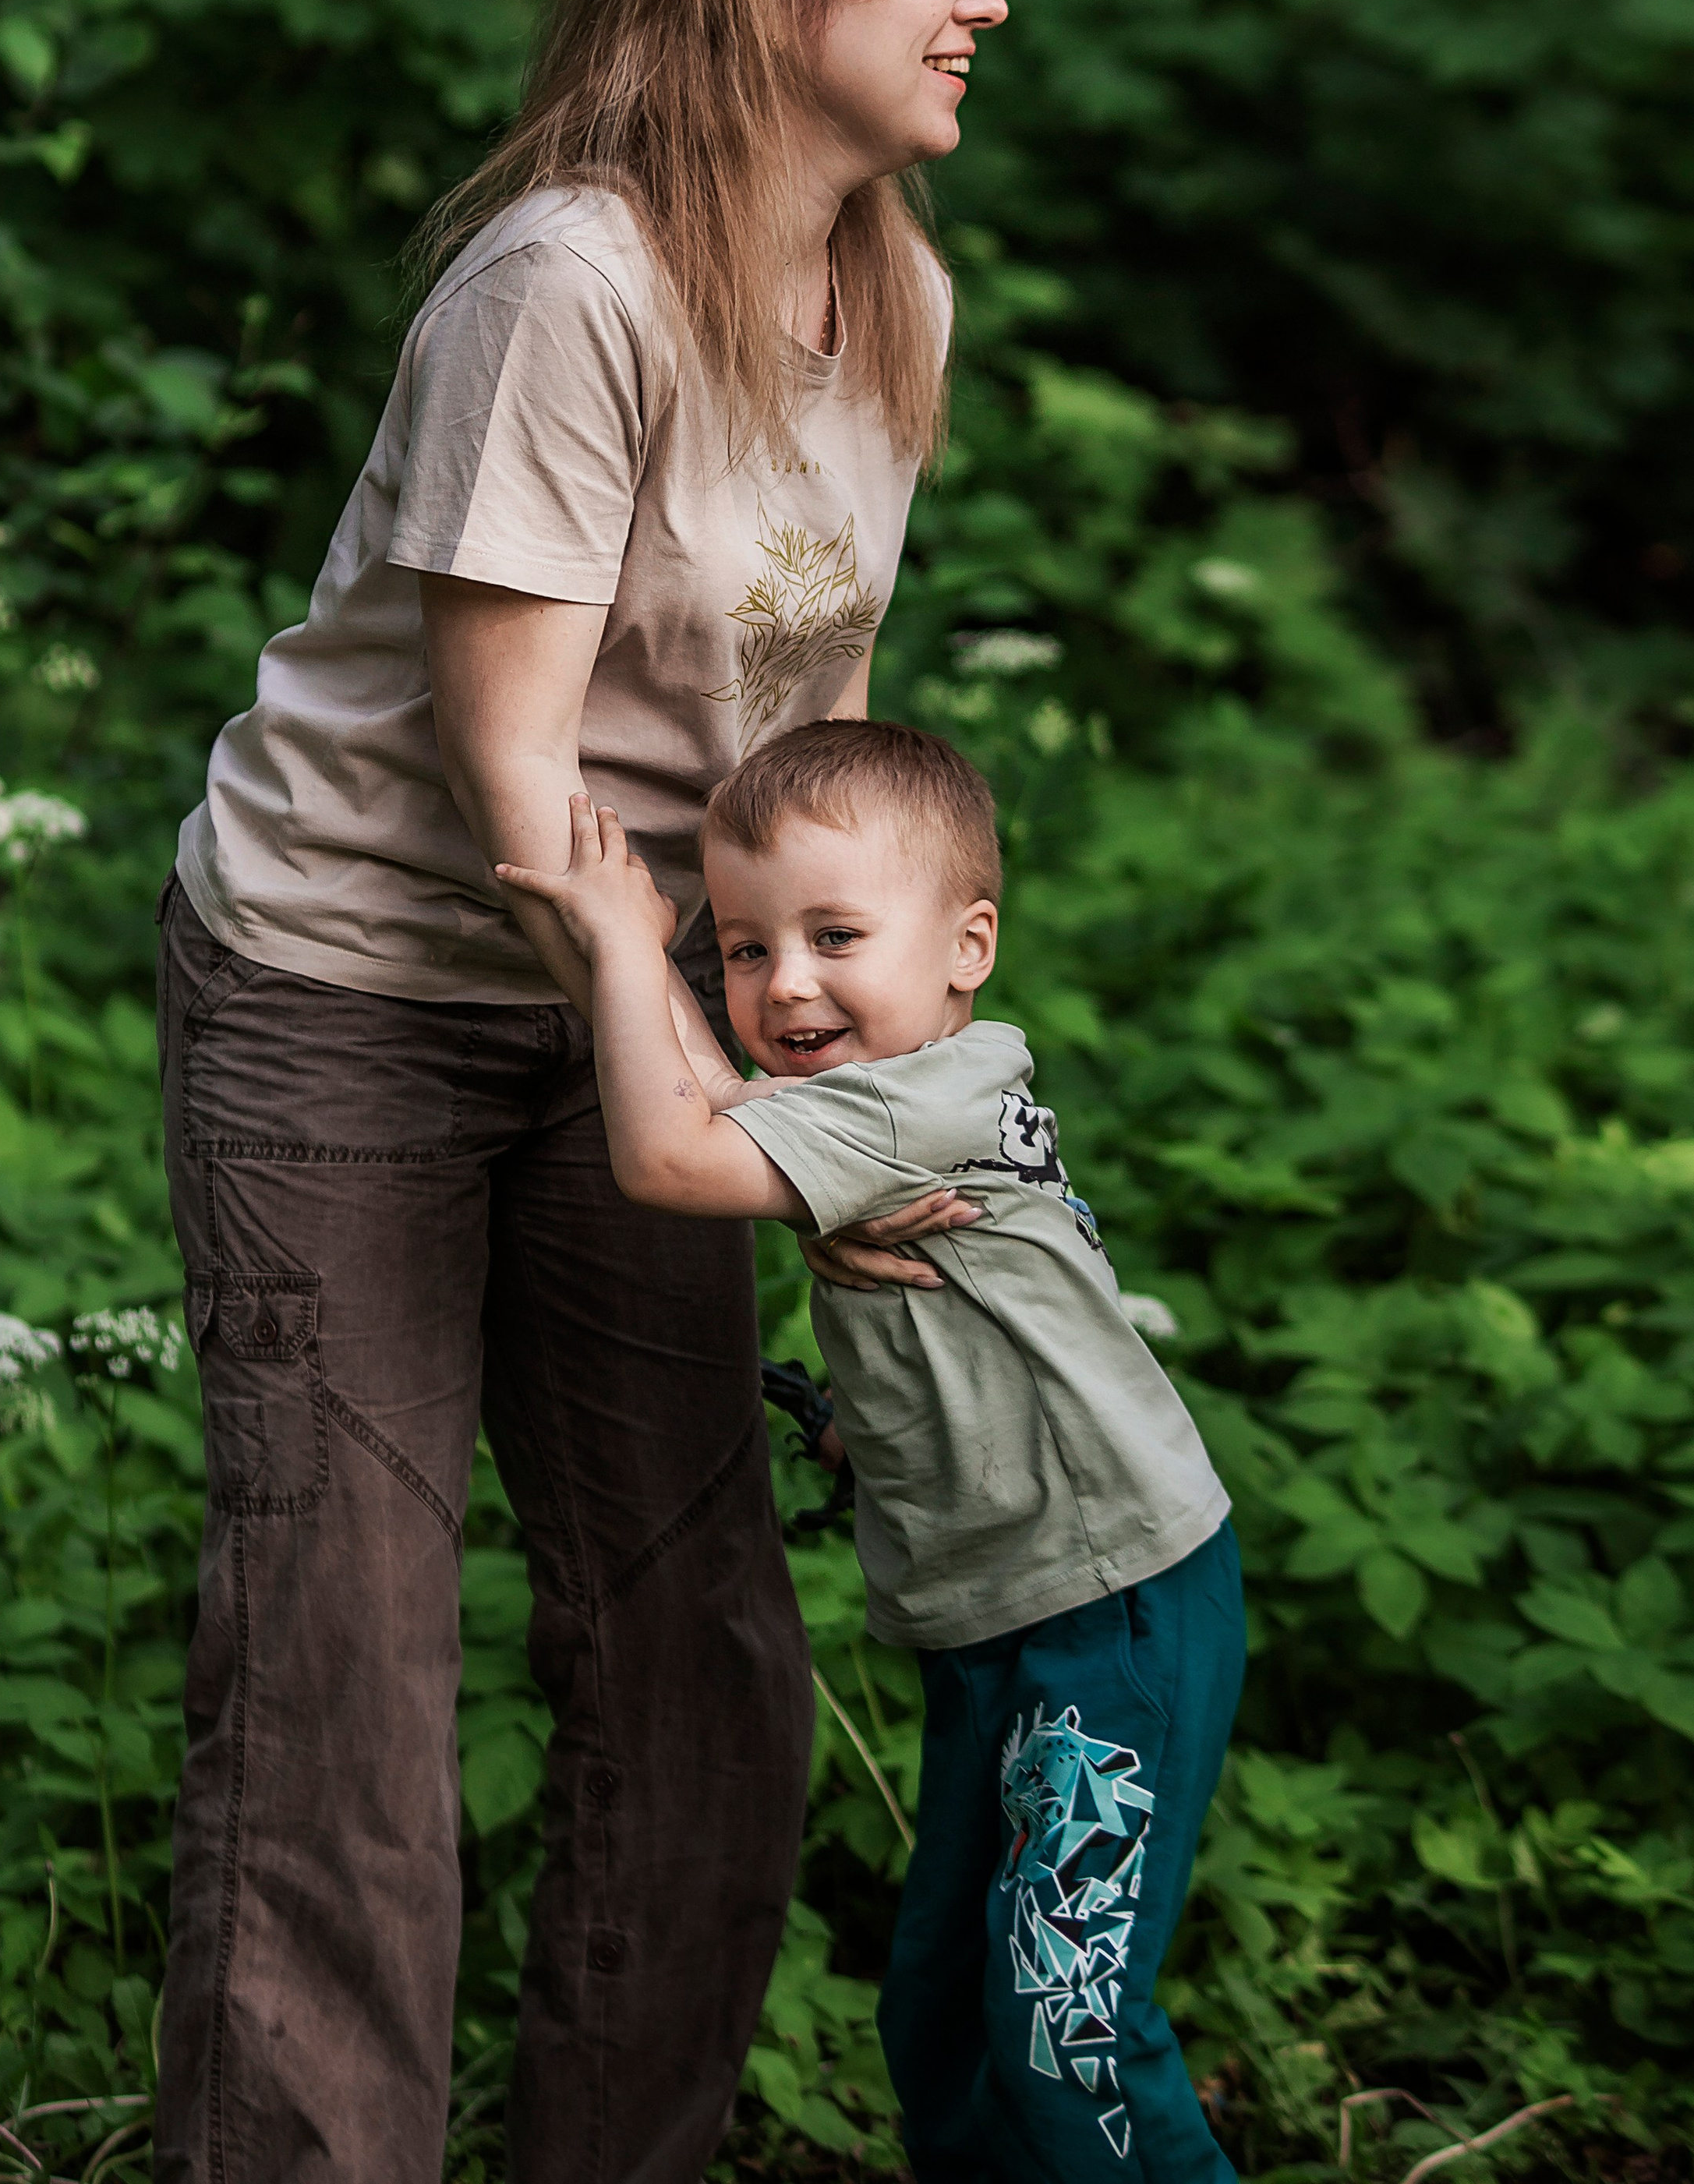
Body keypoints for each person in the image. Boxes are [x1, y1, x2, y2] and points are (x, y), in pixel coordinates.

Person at [152, 0, 1008, 2184]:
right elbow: (527, 802)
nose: (987, 1)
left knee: (704, 1644)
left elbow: (800, 775)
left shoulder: (887, 289)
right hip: (358, 1001)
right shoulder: (567, 289)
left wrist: (843, 1095)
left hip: (634, 1002)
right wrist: (708, 1098)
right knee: (344, 1674)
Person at [497, 721, 1245, 2184]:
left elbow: (666, 1152)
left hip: (1114, 1614)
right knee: (942, 2015)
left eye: (836, 933)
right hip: (1001, 1621)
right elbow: (739, 1118)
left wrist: (615, 942)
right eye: (743, 946)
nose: (784, 982)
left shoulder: (927, 1098)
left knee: (1062, 2016)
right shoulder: (879, 1101)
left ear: (968, 944)